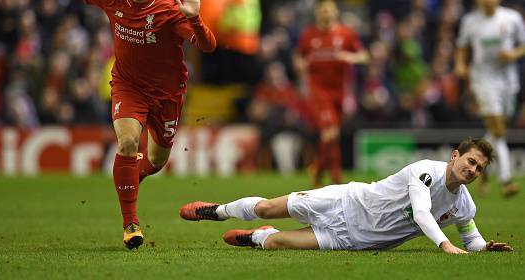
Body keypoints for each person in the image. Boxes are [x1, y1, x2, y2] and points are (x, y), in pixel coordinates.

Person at [37, 0, 216, 250]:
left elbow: (208, 45)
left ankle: (131, 177)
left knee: (157, 161)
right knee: (128, 142)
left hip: (167, 95)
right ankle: (131, 224)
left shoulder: (172, 8)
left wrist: (196, 18)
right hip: (127, 86)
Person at [180, 138, 513, 254]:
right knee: (268, 208)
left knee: (278, 244)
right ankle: (218, 210)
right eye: (470, 161)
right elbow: (423, 213)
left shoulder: (463, 203)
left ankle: (256, 239)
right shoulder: (425, 170)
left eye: (480, 169)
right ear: (455, 155)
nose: (472, 170)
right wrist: (444, 245)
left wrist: (484, 247)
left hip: (354, 240)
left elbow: (470, 237)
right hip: (344, 202)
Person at [455, 0, 525, 197]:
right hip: (483, 78)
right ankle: (506, 180)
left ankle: (483, 171)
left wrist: (513, 54)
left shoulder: (512, 18)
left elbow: (523, 44)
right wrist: (460, 65)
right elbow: (462, 47)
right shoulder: (470, 21)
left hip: (508, 80)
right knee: (498, 130)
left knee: (496, 133)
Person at [293, 0, 369, 187]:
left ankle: (323, 176)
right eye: (323, 10)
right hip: (318, 92)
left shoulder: (345, 34)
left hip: (340, 93)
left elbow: (363, 56)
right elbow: (298, 56)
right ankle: (331, 179)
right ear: (318, 12)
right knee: (330, 132)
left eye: (329, 9)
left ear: (335, 12)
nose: (326, 13)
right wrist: (299, 64)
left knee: (332, 135)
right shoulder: (309, 35)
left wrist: (351, 57)